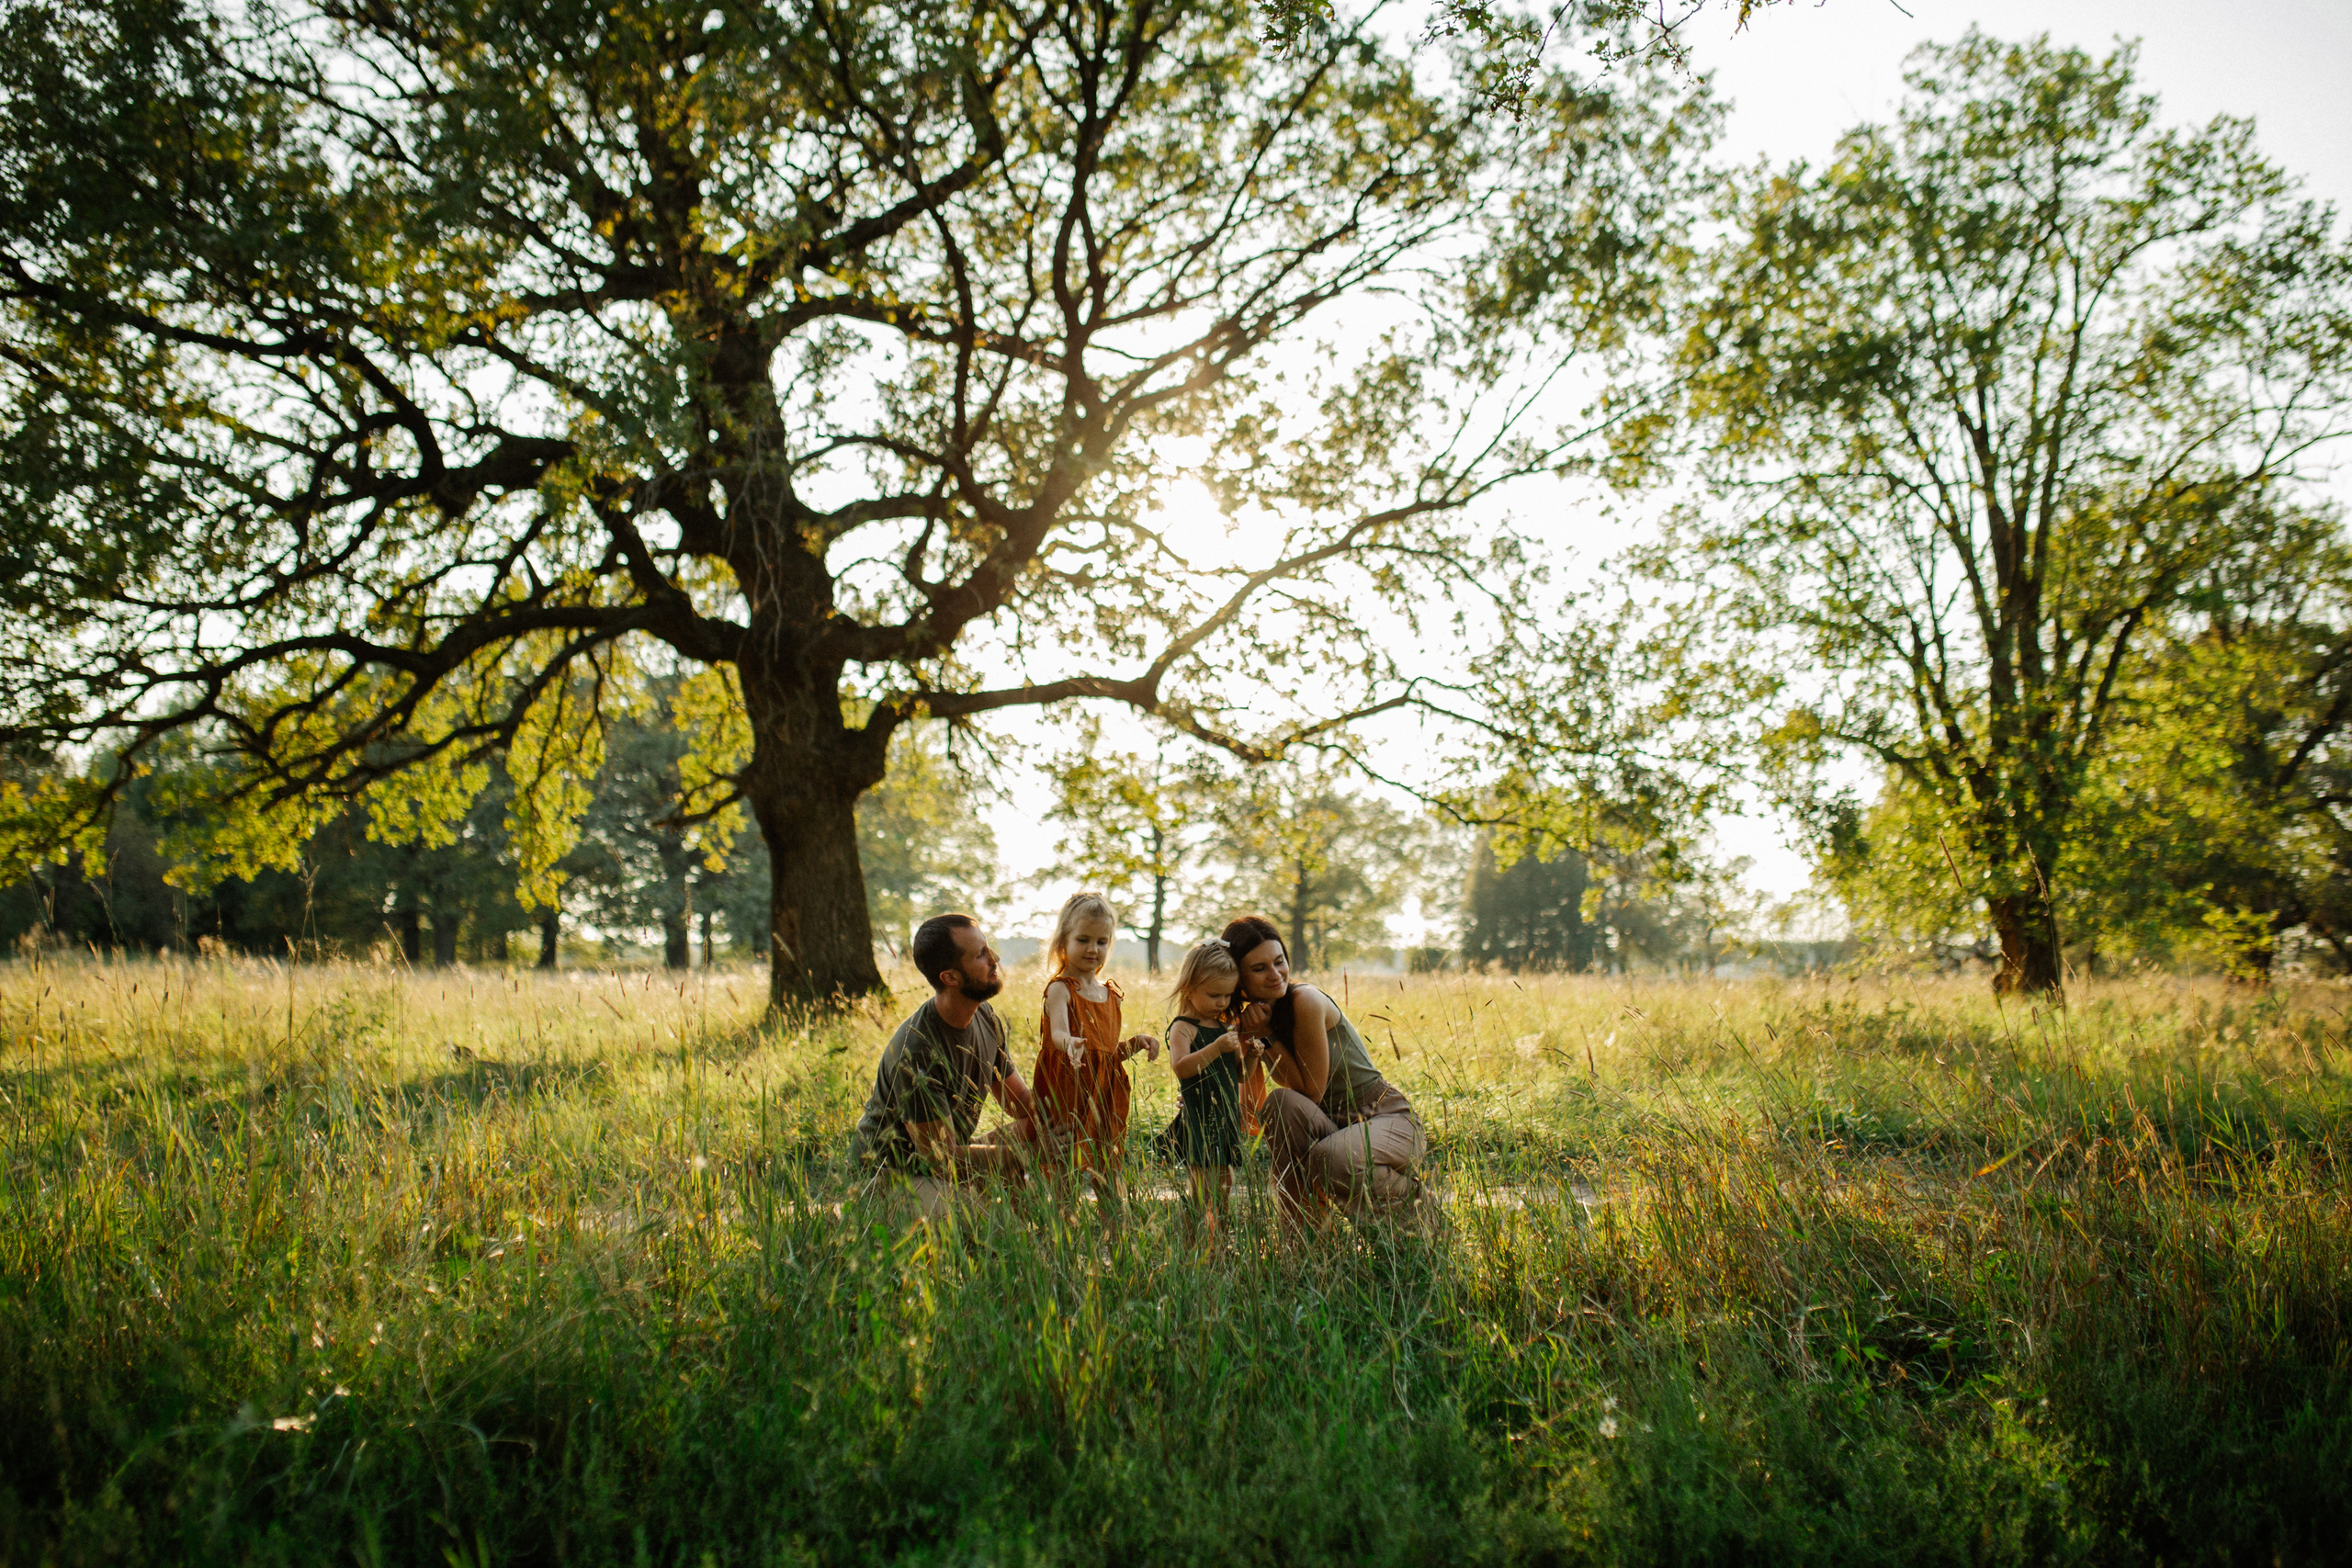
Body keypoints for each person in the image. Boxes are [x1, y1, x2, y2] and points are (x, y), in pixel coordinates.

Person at [1223, 913, 1426, 1224]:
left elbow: (1312, 1092)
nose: (1275, 974)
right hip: (1333, 1127)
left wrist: (1265, 1035)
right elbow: (1249, 1098)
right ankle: (1304, 1244)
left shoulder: (1305, 1000)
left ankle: (1421, 1218)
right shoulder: (1257, 1016)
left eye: (1279, 961)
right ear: (1240, 977)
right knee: (1280, 1104)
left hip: (1383, 1116)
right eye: (1259, 968)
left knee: (1332, 1157)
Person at [850, 913, 1052, 1223]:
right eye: (981, 955)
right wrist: (1019, 1155)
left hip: (947, 1156)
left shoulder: (985, 1017)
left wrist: (1067, 1110)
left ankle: (1022, 1222)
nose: (994, 959)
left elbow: (1023, 1107)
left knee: (1041, 1129)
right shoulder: (917, 1050)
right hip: (893, 1173)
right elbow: (939, 1160)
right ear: (950, 977)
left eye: (989, 949)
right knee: (981, 1225)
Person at [1028, 893, 1157, 1210]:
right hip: (1068, 1090)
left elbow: (1106, 1055)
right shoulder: (1061, 988)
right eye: (1083, 939)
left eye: (1101, 941)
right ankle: (1062, 1233)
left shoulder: (1109, 993)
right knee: (1065, 1166)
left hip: (1105, 1094)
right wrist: (1068, 1041)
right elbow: (1058, 1031)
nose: (1092, 949)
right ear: (1063, 941)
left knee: (1108, 1167)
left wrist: (1134, 1043)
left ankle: (1117, 1231)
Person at [1162, 939, 1245, 1241]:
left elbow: (1236, 1074)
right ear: (1189, 988)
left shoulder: (1224, 1027)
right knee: (1200, 1187)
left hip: (1226, 1114)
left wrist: (1249, 1055)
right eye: (1214, 995)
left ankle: (1219, 1243)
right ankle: (1192, 1243)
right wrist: (1216, 1047)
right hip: (1201, 1116)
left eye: (1227, 995)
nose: (1222, 1002)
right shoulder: (1184, 1027)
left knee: (1225, 1184)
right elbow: (1182, 1067)